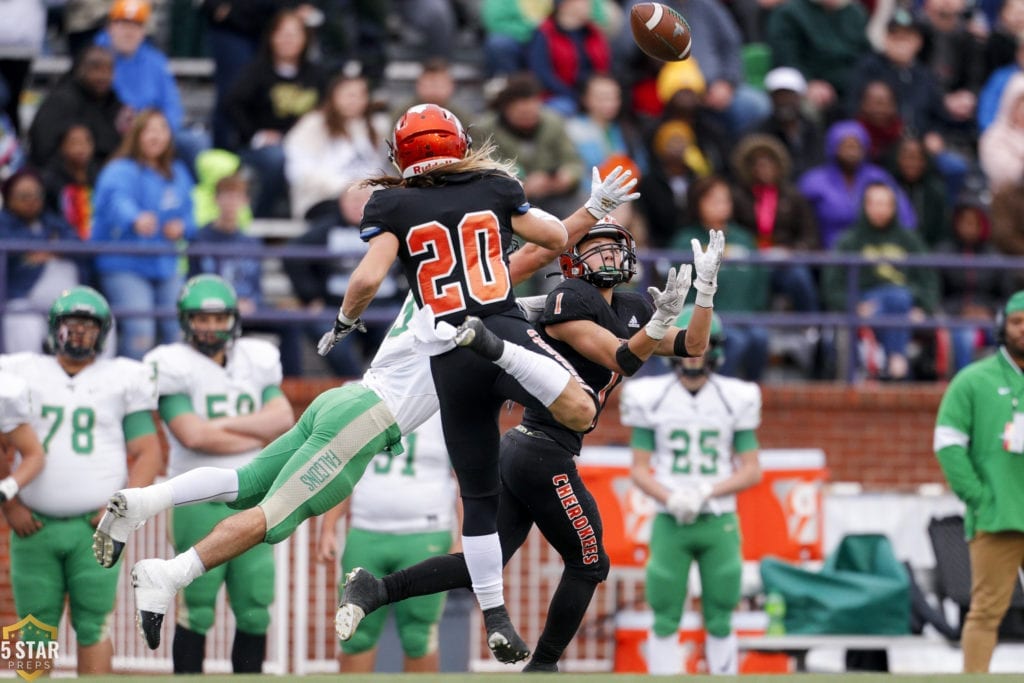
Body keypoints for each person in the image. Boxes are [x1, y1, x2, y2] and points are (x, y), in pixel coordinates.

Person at [91, 161, 641, 657]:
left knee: (250, 478)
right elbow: (542, 249)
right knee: (275, 515)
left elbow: (532, 261)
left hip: (347, 398)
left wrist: (592, 212)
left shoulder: (431, 283)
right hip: (370, 418)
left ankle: (141, 501)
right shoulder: (475, 298)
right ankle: (171, 571)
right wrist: (592, 208)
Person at [316, 103, 657, 663]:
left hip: (443, 353)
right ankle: (537, 660)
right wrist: (594, 210)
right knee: (581, 412)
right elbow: (547, 246)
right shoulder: (496, 194)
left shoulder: (397, 210)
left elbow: (368, 278)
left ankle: (467, 611)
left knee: (480, 511)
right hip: (502, 348)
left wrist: (345, 322)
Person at [332, 221, 723, 673]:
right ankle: (543, 666)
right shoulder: (570, 300)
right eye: (596, 250)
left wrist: (707, 292)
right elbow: (624, 358)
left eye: (615, 250)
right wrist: (656, 325)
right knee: (589, 562)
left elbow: (695, 344)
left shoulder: (633, 307)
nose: (609, 259)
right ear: (573, 261)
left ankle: (375, 590)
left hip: (528, 450)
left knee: (484, 562)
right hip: (543, 451)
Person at [1, 286, 161, 675]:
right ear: (55, 328)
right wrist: (12, 502)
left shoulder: (123, 376)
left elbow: (148, 451)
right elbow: (5, 443)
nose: (79, 334)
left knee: (94, 625)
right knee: (31, 627)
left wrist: (121, 512)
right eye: (71, 325)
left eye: (88, 327)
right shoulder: (22, 372)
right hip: (33, 525)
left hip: (95, 527)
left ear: (103, 333)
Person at [142, 274, 293, 673]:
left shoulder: (256, 357)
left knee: (255, 605)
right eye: (201, 319)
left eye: (219, 318)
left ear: (233, 319)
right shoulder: (170, 363)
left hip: (254, 500)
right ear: (185, 321)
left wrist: (219, 427)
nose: (210, 327)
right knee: (198, 606)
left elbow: (282, 419)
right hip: (197, 502)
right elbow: (192, 435)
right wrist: (250, 430)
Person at [620, 307, 763, 675]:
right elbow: (638, 468)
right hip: (671, 519)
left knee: (721, 611)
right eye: (689, 343)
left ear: (717, 348)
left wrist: (707, 492)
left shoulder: (736, 396)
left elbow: (751, 469)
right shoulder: (650, 396)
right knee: (664, 610)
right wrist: (671, 497)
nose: (697, 353)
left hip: (718, 519)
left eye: (704, 343)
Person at [317, 413, 459, 673]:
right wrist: (328, 527)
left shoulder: (444, 405)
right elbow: (347, 471)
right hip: (367, 532)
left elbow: (465, 476)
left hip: (425, 533)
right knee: (354, 629)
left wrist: (462, 535)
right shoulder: (365, 399)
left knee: (418, 632)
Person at [934, 289, 1024, 673]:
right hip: (997, 513)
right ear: (1003, 326)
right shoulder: (974, 380)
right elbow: (947, 443)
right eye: (1019, 322)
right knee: (986, 611)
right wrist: (978, 496)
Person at [91, 108, 197, 359]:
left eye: (162, 129)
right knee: (141, 330)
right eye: (149, 130)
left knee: (179, 331)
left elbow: (193, 212)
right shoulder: (119, 169)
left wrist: (183, 227)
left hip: (167, 263)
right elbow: (114, 200)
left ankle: (173, 394)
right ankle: (134, 393)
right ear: (136, 135)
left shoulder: (178, 172)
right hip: (124, 263)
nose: (156, 136)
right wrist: (134, 219)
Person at [0, 169, 83, 354]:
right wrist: (47, 245)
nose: (31, 200)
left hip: (65, 301)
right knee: (24, 324)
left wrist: (50, 249)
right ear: (9, 198)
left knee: (95, 317)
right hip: (21, 298)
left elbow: (77, 243)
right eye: (23, 195)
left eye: (36, 195)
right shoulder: (3, 222)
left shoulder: (51, 220)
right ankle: (25, 382)